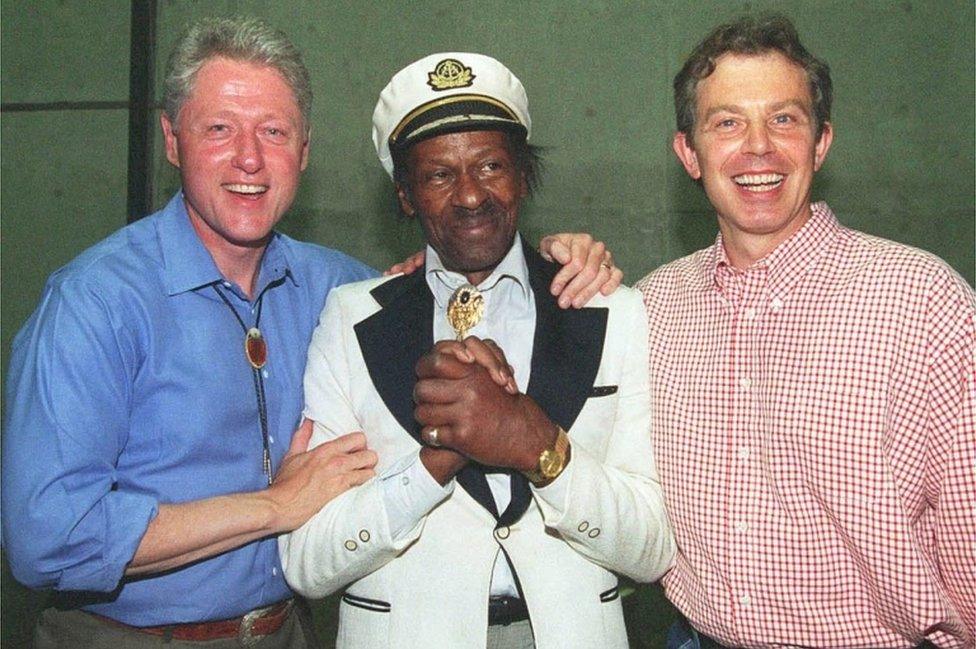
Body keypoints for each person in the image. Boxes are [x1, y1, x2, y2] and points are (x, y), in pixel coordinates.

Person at [1, 19, 614, 649]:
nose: (249, 158)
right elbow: (48, 539)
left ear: (303, 152)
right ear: (172, 140)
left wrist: (562, 262)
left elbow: (456, 284)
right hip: (123, 637)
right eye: (219, 129)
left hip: (289, 631)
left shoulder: (338, 290)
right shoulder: (95, 302)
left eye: (273, 131)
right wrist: (273, 508)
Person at [280, 52, 675, 649]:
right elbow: (308, 564)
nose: (470, 196)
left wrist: (541, 448)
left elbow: (651, 551)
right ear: (406, 195)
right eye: (439, 175)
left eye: (491, 165)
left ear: (523, 177)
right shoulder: (351, 319)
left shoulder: (612, 310)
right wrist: (436, 460)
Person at [633, 15, 975, 649]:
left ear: (820, 144)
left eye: (785, 119)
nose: (758, 146)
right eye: (727, 122)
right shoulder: (655, 306)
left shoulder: (924, 302)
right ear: (689, 152)